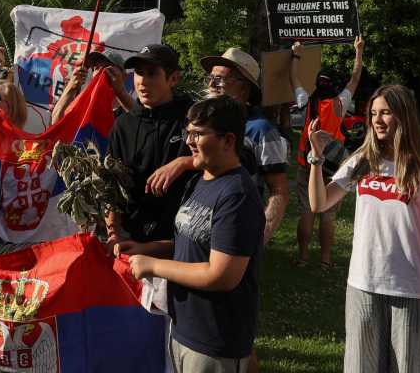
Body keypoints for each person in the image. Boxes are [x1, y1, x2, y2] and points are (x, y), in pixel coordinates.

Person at [307, 84, 420, 372]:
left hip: (411, 288)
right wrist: (316, 158)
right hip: (363, 284)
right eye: (373, 113)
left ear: (403, 117)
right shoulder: (362, 162)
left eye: (386, 113)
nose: (377, 120)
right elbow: (320, 203)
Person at [124, 96, 264, 372]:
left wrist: (153, 266)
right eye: (188, 132)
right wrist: (145, 249)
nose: (189, 141)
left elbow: (221, 275)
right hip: (184, 328)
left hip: (216, 338)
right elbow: (189, 242)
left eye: (198, 134)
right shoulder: (201, 180)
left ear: (228, 140)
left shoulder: (237, 195)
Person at [107, 44, 194, 246]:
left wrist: (184, 162)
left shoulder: (193, 117)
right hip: (132, 238)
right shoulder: (123, 124)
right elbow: (112, 185)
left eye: (152, 73)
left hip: (182, 238)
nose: (143, 81)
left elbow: (226, 162)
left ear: (174, 79)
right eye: (138, 73)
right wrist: (114, 232)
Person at [201, 47, 289, 246]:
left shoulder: (261, 130)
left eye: (221, 79)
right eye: (211, 78)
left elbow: (279, 191)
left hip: (235, 233)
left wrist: (261, 236)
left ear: (244, 88)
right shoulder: (201, 124)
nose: (212, 84)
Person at [290, 36, 363, 269]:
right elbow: (355, 78)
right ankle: (326, 260)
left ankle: (302, 258)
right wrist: (358, 51)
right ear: (333, 85)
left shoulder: (306, 101)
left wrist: (296, 55)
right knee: (328, 215)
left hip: (307, 163)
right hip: (333, 167)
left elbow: (293, 77)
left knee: (306, 211)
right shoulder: (339, 104)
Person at [50, 51, 136, 123]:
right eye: (96, 68)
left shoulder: (131, 108)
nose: (101, 72)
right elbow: (56, 123)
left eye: (107, 67)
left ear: (124, 76)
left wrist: (120, 92)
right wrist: (71, 87)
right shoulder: (84, 104)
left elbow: (142, 121)